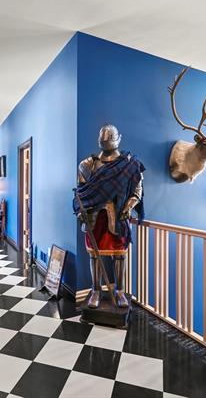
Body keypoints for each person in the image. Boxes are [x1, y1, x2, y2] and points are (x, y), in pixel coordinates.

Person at [73, 125, 144, 308]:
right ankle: (95, 290)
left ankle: (119, 290)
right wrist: (81, 211)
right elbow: (81, 193)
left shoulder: (129, 164)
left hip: (119, 215)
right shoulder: (88, 164)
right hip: (94, 216)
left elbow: (137, 190)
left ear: (119, 139)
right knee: (94, 255)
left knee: (120, 255)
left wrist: (128, 207)